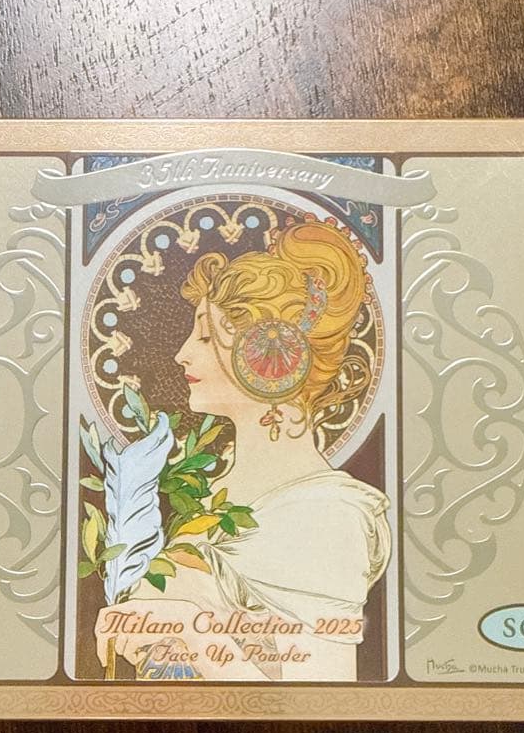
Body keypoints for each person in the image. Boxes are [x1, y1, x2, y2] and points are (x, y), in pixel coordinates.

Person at [96, 218, 391, 681]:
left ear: (269, 360)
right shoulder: (216, 490)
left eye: (205, 336)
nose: (182, 353)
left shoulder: (328, 514)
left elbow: (319, 699)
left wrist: (189, 631)